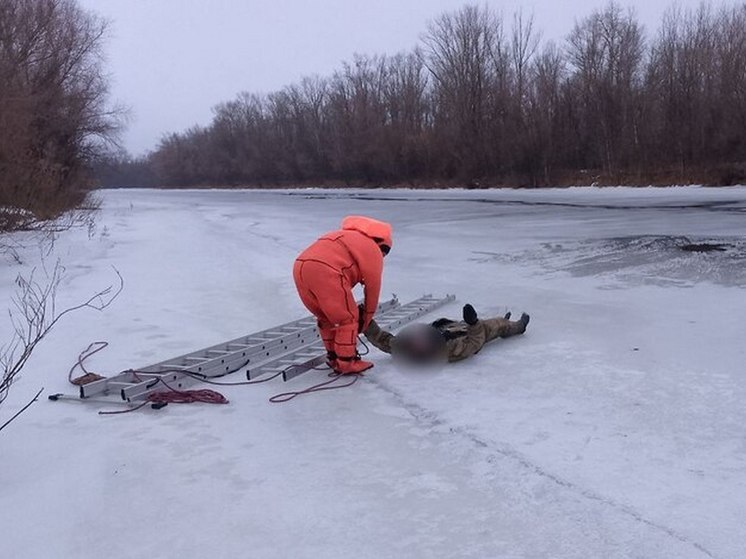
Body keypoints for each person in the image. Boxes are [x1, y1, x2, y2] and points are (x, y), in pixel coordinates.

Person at [293, 215, 393, 374]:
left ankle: (333, 357)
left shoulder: (341, 236)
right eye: (384, 254)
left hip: (300, 266)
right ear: (381, 245)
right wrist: (365, 320)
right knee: (348, 319)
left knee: (327, 317)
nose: (382, 258)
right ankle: (347, 363)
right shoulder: (372, 248)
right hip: (326, 270)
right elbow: (372, 289)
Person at [363, 303, 529, 364]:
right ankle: (517, 327)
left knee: (494, 322)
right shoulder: (449, 351)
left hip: (452, 327)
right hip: (471, 334)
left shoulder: (404, 344)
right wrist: (473, 323)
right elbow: (474, 342)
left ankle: (504, 323)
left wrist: (366, 322)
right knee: (496, 325)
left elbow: (382, 339)